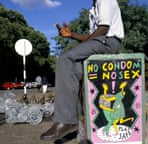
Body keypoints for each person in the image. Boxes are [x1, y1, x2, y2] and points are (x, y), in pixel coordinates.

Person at [40, 0, 124, 141]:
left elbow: (103, 29)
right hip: (101, 41)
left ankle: (67, 120)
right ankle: (71, 118)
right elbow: (93, 38)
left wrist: (87, 41)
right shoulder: (94, 8)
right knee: (72, 71)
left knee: (65, 59)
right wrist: (71, 35)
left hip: (109, 42)